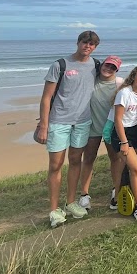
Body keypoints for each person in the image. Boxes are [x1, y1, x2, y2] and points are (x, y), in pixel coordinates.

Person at [36, 30, 100, 228]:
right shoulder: (60, 65)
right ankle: (54, 210)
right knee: (55, 165)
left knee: (75, 161)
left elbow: (111, 80)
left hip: (82, 122)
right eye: (84, 42)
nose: (87, 46)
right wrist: (44, 125)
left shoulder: (96, 65)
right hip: (59, 122)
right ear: (78, 43)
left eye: (91, 44)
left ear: (95, 47)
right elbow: (46, 97)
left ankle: (71, 202)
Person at [79, 55, 123, 211]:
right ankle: (84, 195)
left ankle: (116, 192)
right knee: (88, 159)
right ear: (102, 65)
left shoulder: (120, 84)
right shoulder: (91, 80)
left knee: (115, 159)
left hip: (111, 128)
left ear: (116, 70)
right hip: (93, 127)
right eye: (107, 65)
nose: (108, 69)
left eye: (113, 67)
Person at [109, 65, 137, 220]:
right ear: (133, 76)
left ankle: (116, 198)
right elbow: (117, 120)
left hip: (135, 131)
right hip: (122, 134)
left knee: (125, 169)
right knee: (136, 168)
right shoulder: (124, 93)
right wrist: (124, 142)